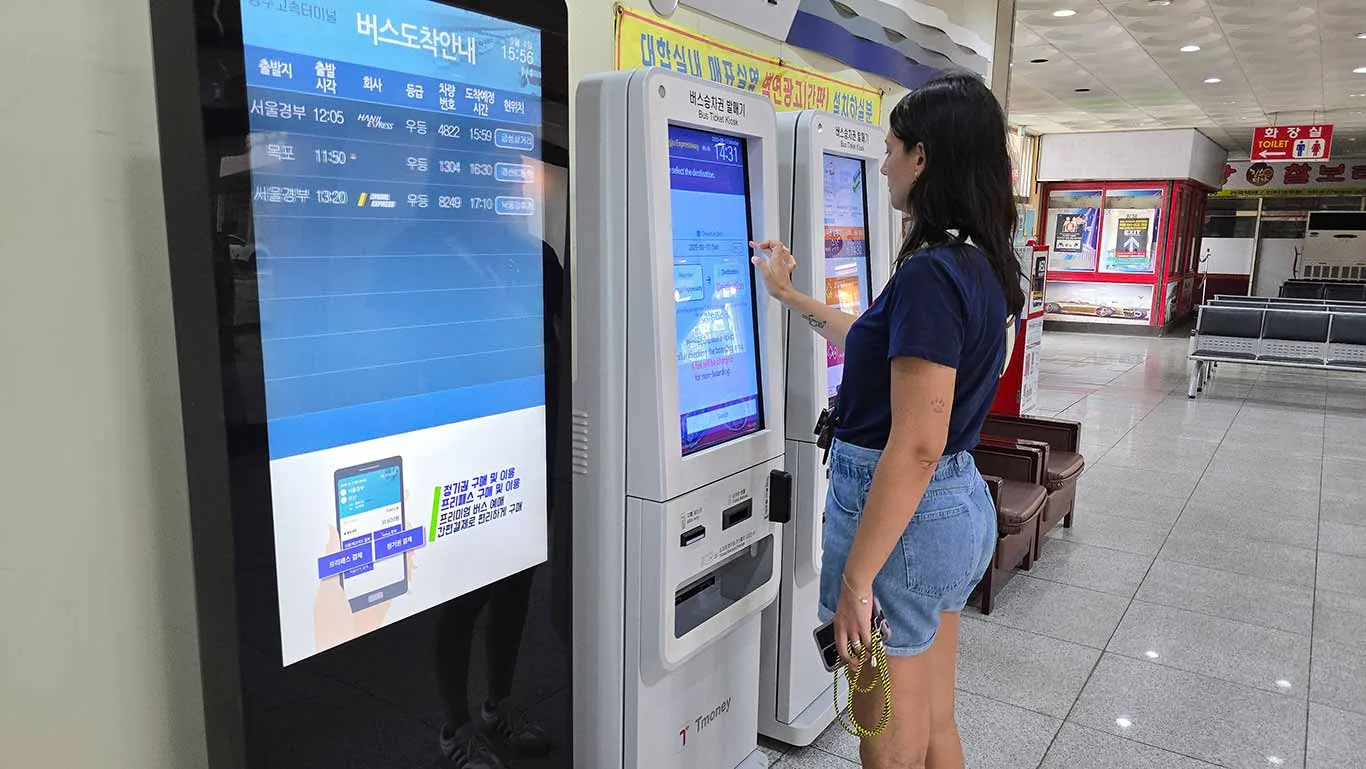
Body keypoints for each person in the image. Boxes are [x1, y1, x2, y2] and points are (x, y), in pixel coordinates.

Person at [751, 72, 1024, 769]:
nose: (883, 163)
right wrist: (790, 295)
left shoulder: (931, 273)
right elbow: (881, 341)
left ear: (924, 158)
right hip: (951, 513)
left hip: (900, 523)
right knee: (933, 722)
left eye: (892, 147)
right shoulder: (977, 262)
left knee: (886, 745)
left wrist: (855, 581)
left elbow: (918, 443)